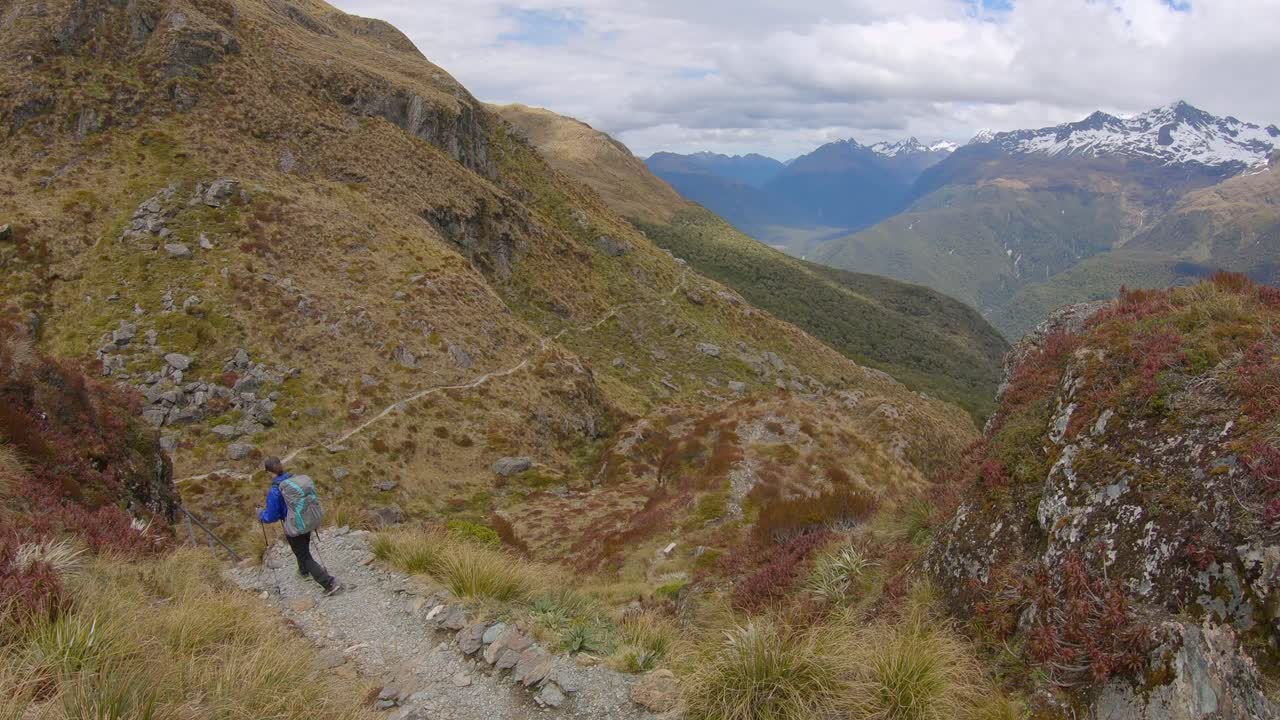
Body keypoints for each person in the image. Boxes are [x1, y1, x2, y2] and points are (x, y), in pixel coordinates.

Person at [259, 456, 341, 595]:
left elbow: (272, 516)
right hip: (307, 520)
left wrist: (261, 514)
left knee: (303, 555)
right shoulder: (295, 479)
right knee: (303, 548)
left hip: (293, 525)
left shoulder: (276, 489)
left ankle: (329, 583)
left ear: (269, 472)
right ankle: (303, 571)